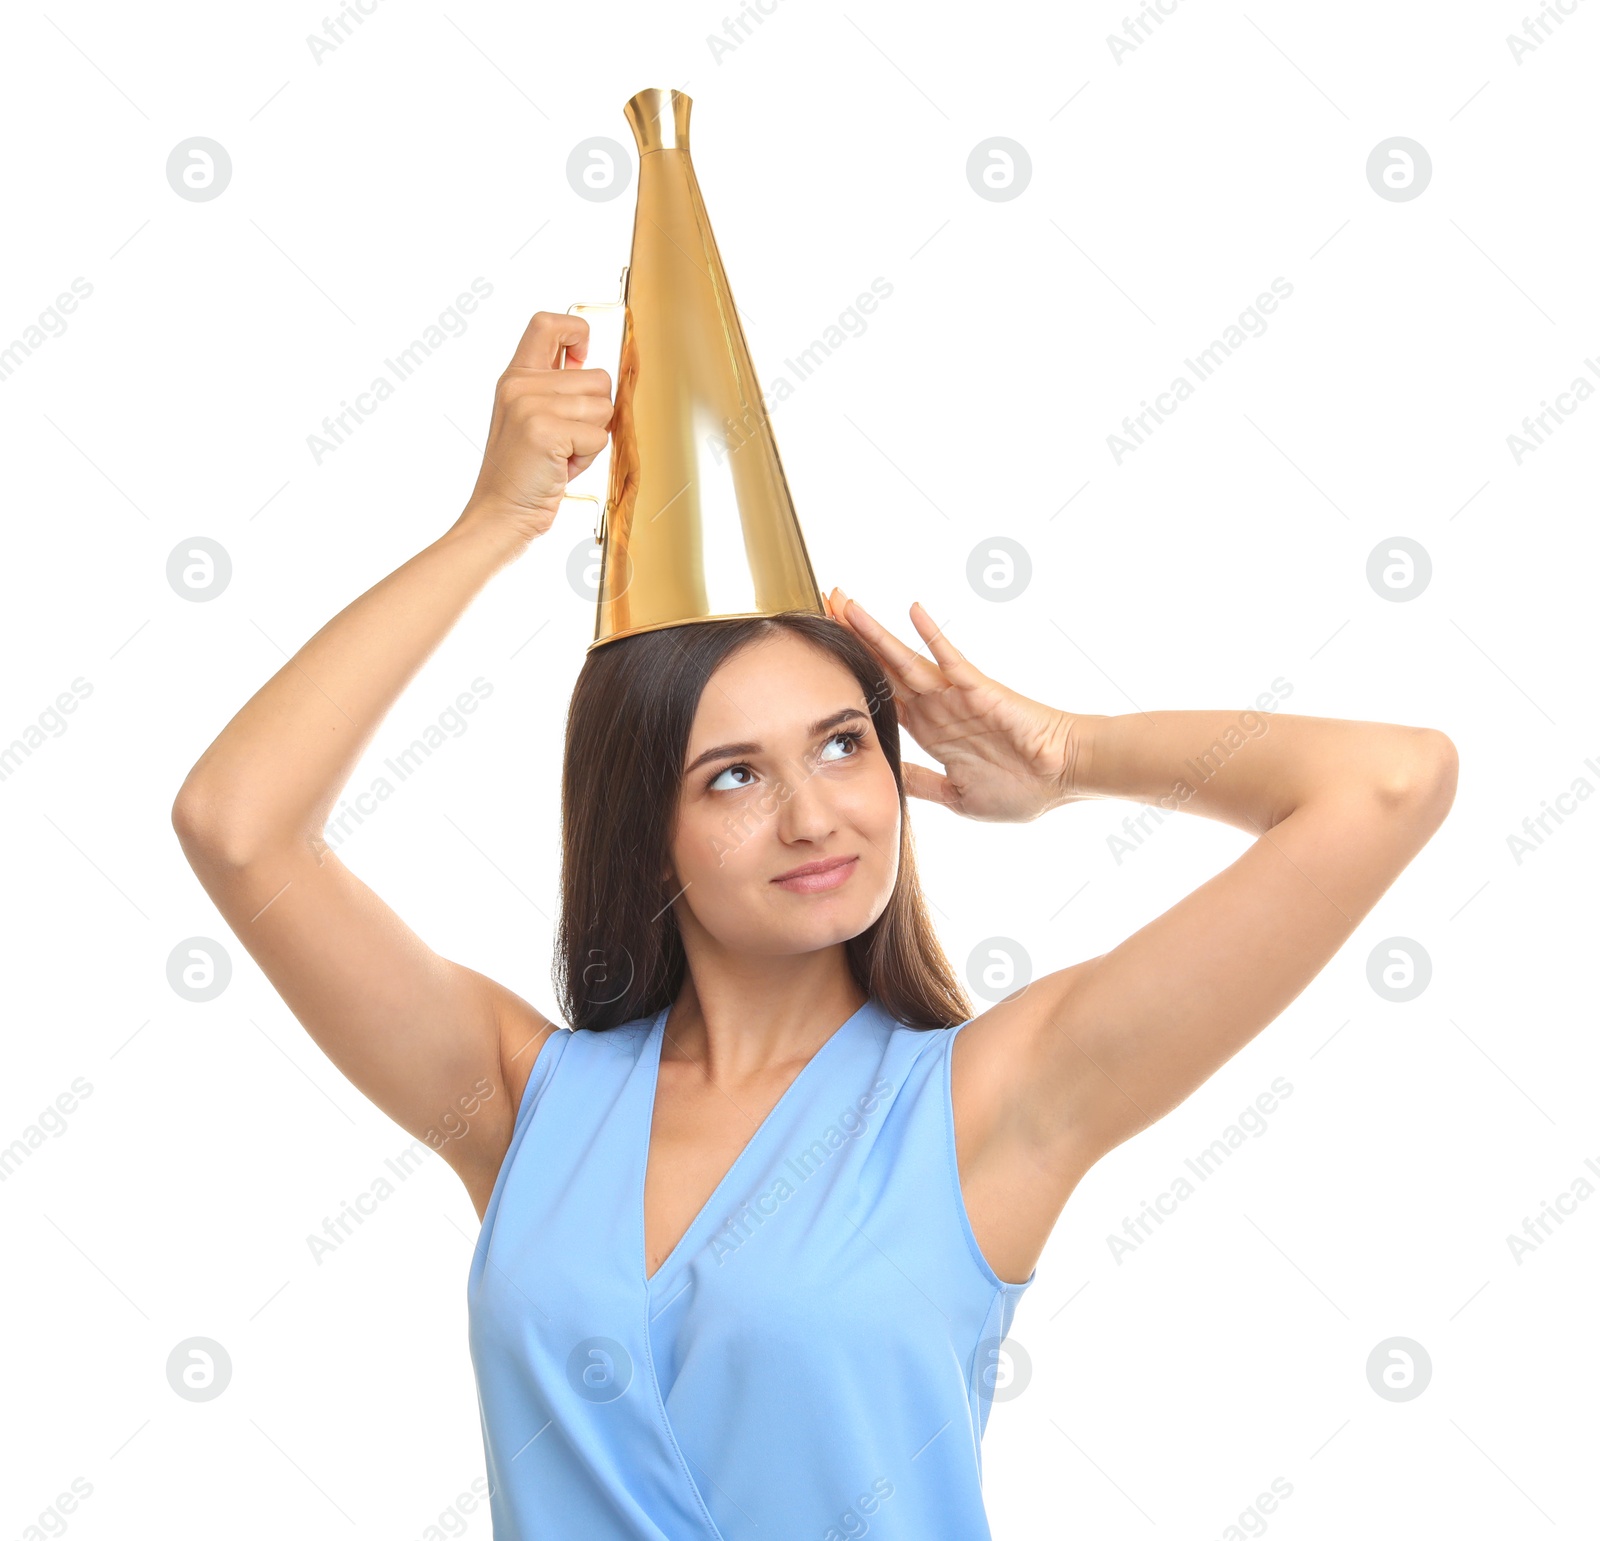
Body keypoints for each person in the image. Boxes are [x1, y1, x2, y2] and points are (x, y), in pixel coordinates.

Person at [171, 310, 1459, 1539]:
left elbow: (1387, 784)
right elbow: (238, 823)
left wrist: (1070, 755)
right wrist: (497, 523)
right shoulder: (521, 1106)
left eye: (845, 746)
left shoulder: (993, 1101)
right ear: (640, 825)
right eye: (731, 775)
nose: (815, 817)